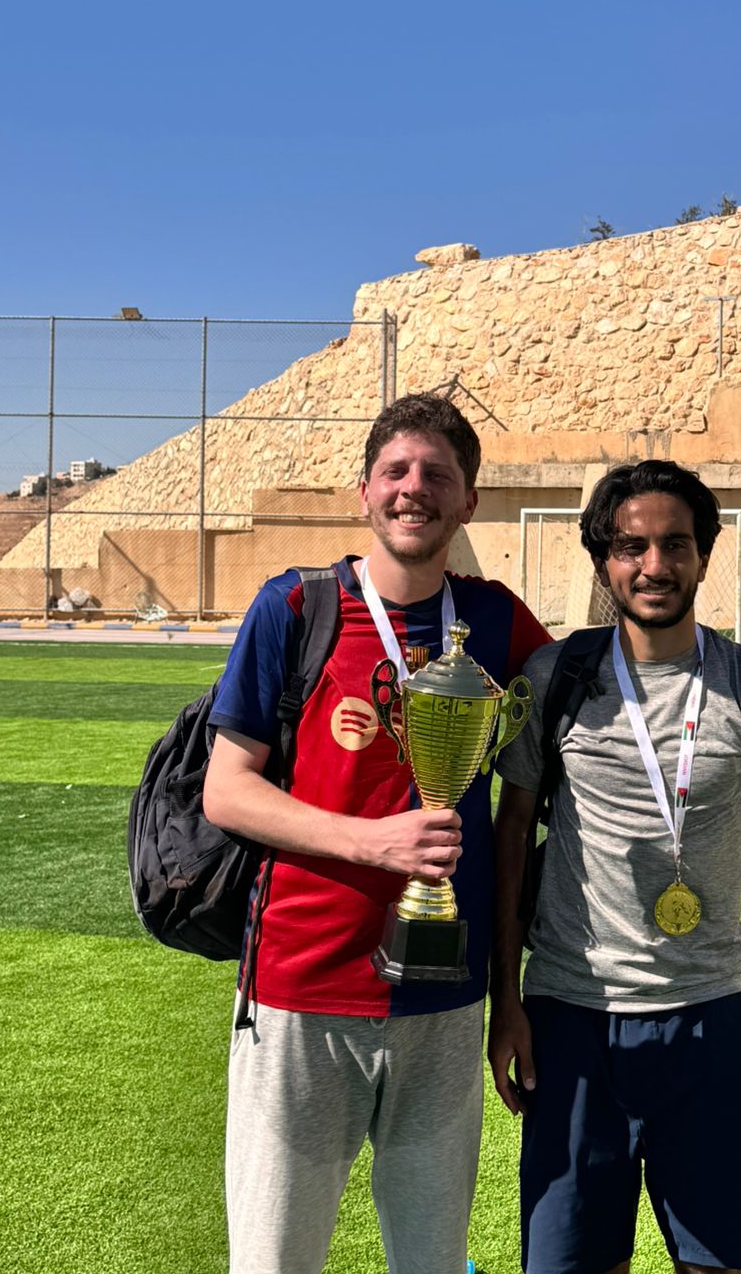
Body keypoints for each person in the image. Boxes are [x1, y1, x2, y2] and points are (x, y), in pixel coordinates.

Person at [203, 392, 551, 1274]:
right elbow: (227, 791)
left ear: (469, 501)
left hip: (446, 1000)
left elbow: (583, 714)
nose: (413, 488)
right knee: (274, 1260)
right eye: (395, 470)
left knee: (431, 1260)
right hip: (302, 990)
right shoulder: (296, 607)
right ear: (364, 491)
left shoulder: (498, 622)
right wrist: (373, 843)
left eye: (437, 474)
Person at [489, 460, 741, 1274]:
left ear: (704, 555)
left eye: (675, 544)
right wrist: (505, 1003)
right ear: (602, 561)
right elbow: (510, 844)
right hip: (570, 1019)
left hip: (707, 1020)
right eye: (631, 546)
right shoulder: (554, 680)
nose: (655, 565)